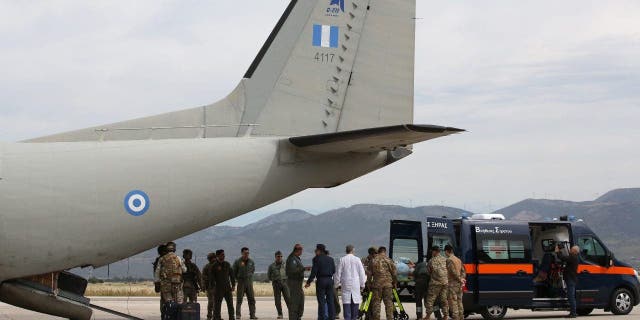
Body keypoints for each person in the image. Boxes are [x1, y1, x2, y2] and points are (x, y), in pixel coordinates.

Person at [334, 245, 367, 320]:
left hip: (345, 284)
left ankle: (347, 318)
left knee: (346, 303)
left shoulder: (342, 259)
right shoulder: (357, 259)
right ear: (353, 250)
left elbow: (338, 273)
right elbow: (362, 273)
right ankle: (354, 318)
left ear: (346, 250)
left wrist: (336, 284)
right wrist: (362, 284)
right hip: (355, 284)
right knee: (355, 303)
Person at [305, 244, 336, 320]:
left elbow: (314, 272)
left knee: (321, 301)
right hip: (329, 280)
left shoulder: (316, 259)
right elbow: (334, 270)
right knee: (330, 301)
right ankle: (332, 317)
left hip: (321, 280)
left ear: (319, 250)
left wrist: (308, 282)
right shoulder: (331, 259)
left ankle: (322, 317)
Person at [368, 246, 397, 320]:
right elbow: (394, 273)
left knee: (376, 304)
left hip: (376, 285)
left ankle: (376, 318)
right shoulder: (389, 260)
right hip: (388, 285)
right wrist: (395, 283)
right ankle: (390, 318)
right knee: (388, 303)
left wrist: (369, 284)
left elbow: (369, 274)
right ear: (385, 251)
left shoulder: (373, 260)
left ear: (378, 251)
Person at [424, 246, 449, 320]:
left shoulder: (431, 260)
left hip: (435, 283)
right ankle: (445, 315)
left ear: (435, 252)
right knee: (444, 299)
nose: (432, 253)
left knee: (430, 299)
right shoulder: (445, 259)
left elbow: (429, 272)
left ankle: (428, 316)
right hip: (445, 282)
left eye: (432, 251)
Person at [233, 247, 257, 319]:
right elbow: (234, 272)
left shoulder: (251, 262)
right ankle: (238, 315)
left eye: (248, 253)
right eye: (245, 253)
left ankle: (252, 315)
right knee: (239, 299)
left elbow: (252, 271)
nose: (247, 254)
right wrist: (238, 279)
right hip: (241, 283)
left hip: (249, 283)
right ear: (242, 253)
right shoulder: (237, 262)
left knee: (252, 299)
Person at [557, 245, 580, 318]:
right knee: (571, 296)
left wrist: (558, 251)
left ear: (574, 251)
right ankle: (573, 312)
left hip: (571, 279)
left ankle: (573, 313)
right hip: (571, 279)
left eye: (572, 249)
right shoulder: (574, 257)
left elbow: (563, 258)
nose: (570, 249)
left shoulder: (573, 257)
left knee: (571, 296)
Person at [213, 249, 236, 320]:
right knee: (217, 305)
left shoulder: (227, 264)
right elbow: (212, 278)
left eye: (224, 254)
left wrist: (233, 285)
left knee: (230, 304)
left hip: (227, 288)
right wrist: (212, 288)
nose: (224, 256)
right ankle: (217, 318)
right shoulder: (214, 266)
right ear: (217, 256)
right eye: (222, 255)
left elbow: (232, 275)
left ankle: (231, 317)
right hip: (218, 288)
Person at [444, 245, 466, 320]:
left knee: (453, 302)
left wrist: (459, 279)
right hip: (459, 284)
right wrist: (462, 279)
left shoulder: (449, 260)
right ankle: (461, 317)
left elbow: (452, 272)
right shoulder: (458, 259)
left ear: (447, 251)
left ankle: (456, 317)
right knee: (460, 301)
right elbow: (463, 271)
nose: (445, 254)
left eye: (445, 252)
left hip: (452, 284)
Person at [268, 251, 290, 319]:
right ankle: (280, 314)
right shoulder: (271, 266)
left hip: (285, 283)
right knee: (277, 300)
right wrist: (275, 280)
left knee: (288, 299)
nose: (280, 258)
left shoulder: (285, 264)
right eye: (278, 256)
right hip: (276, 284)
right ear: (275, 257)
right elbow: (269, 276)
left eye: (281, 256)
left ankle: (292, 313)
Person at [286, 244, 305, 320]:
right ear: (298, 250)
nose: (302, 252)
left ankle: (298, 317)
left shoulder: (296, 258)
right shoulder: (292, 259)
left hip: (298, 284)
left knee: (300, 303)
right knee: (294, 304)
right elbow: (292, 271)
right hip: (294, 284)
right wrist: (303, 269)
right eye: (301, 250)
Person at [153, 244, 168, 316]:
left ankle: (165, 315)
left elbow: (155, 273)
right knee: (165, 300)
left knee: (164, 300)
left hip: (164, 284)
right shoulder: (161, 260)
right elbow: (156, 272)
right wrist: (157, 284)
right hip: (165, 284)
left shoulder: (160, 260)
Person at [202, 252, 218, 320]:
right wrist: (204, 285)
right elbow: (203, 276)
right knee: (211, 302)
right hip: (210, 287)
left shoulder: (219, 265)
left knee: (216, 302)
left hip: (217, 287)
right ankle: (210, 316)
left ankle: (215, 316)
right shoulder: (207, 266)